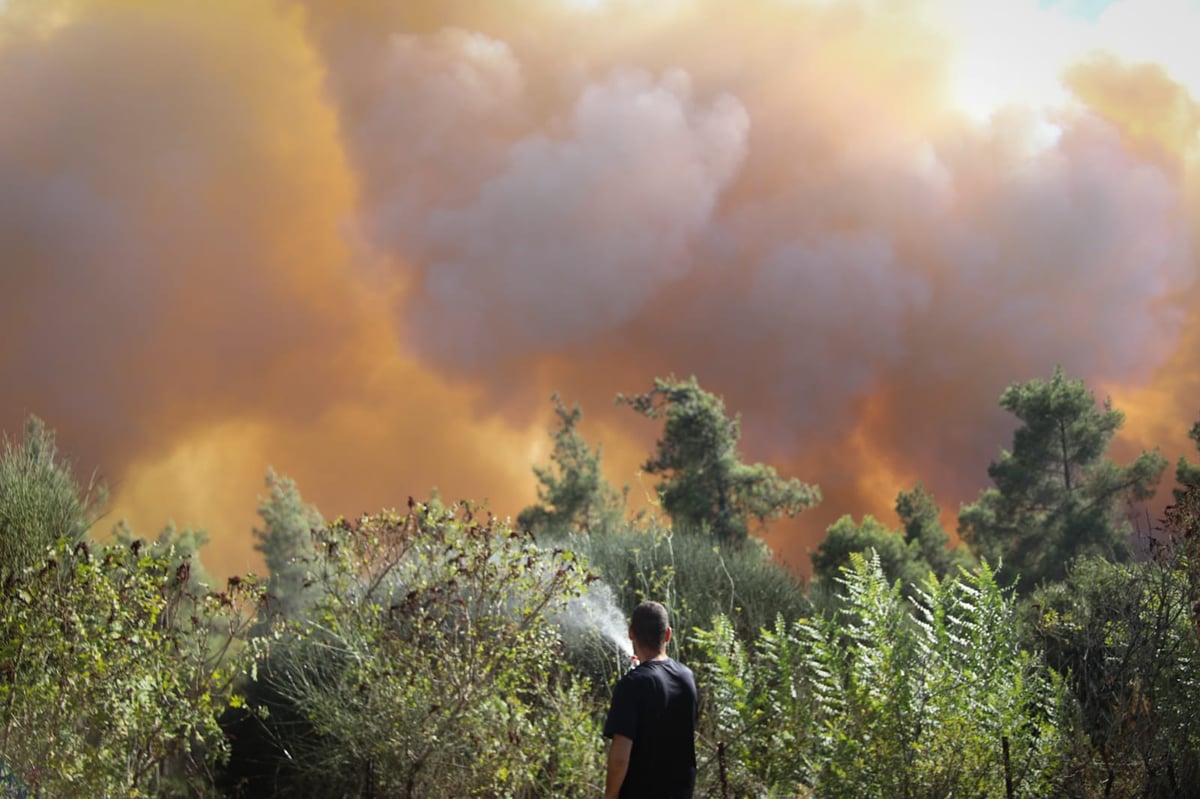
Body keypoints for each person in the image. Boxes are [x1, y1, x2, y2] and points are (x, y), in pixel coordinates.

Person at [603, 601, 698, 799]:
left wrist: (610, 796)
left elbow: (620, 758)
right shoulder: (687, 677)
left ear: (631, 633)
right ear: (668, 634)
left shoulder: (631, 684)